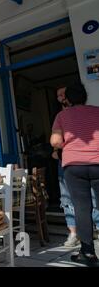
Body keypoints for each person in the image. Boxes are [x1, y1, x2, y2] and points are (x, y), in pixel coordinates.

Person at [51, 83, 99, 266]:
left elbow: (55, 141)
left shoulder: (62, 115)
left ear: (68, 100)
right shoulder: (97, 111)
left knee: (82, 208)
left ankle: (88, 254)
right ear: (85, 97)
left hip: (74, 167)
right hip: (97, 162)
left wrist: (69, 146)